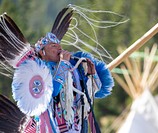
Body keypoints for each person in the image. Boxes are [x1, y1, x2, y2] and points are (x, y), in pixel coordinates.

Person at [0, 5, 114, 133]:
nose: (59, 48)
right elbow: (50, 93)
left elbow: (89, 94)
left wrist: (91, 75)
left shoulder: (72, 69)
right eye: (53, 46)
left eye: (59, 45)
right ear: (42, 53)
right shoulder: (35, 71)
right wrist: (64, 65)